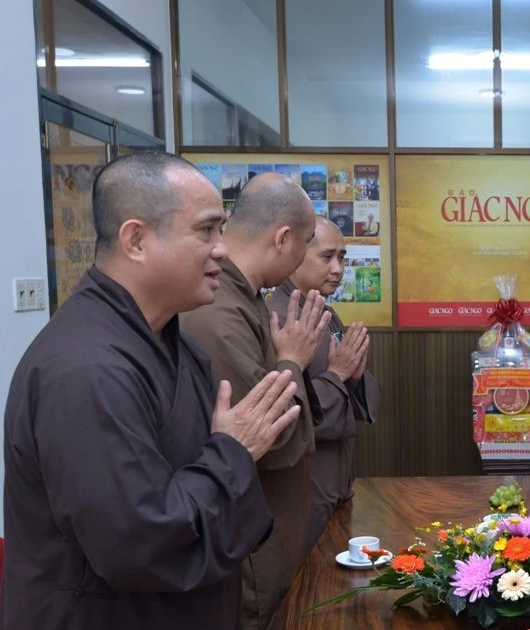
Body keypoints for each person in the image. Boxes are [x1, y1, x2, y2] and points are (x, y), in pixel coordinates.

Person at [0, 151, 304, 630]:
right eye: (206, 231)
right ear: (136, 240)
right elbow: (139, 541)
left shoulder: (177, 346)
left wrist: (230, 450)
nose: (222, 250)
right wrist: (233, 449)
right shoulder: (86, 369)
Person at [180, 172, 329, 630]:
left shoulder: (245, 298)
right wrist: (293, 361)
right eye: (307, 243)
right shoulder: (217, 311)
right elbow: (266, 434)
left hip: (274, 528)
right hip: (253, 551)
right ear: (283, 239)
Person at [266, 217, 379, 551]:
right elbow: (289, 410)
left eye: (342, 258)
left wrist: (355, 375)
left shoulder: (327, 314)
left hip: (338, 472)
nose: (338, 268)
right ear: (297, 253)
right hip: (306, 477)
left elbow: (350, 383)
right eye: (327, 256)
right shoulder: (278, 318)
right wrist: (339, 373)